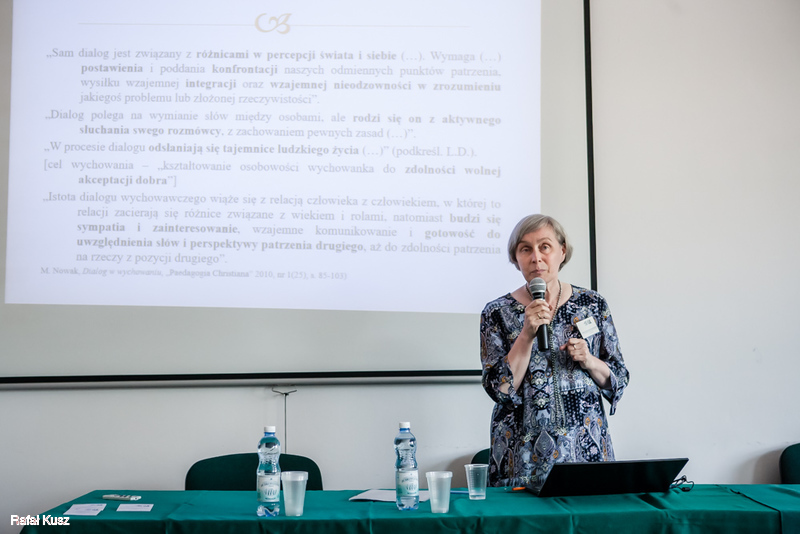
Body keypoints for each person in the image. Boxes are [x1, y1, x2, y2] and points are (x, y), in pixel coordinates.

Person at [480, 214, 629, 491]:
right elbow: (499, 390)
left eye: (544, 246)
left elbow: (618, 377)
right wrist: (526, 334)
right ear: (516, 259)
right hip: (521, 454)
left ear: (562, 251)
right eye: (525, 249)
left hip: (585, 446)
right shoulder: (496, 312)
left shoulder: (592, 304)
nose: (536, 257)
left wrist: (589, 360)